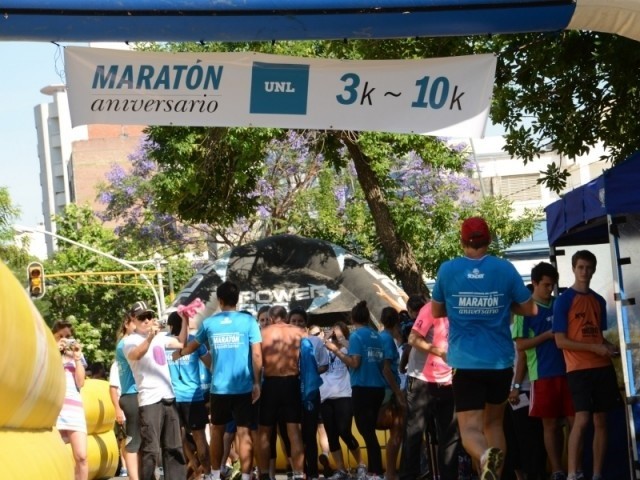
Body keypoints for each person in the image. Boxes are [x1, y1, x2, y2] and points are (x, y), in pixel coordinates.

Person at [431, 216, 537, 480]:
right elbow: (531, 309)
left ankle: (483, 456)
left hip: (465, 363)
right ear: (489, 239)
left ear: (462, 241)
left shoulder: (448, 270)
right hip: (500, 362)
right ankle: (493, 473)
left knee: (469, 429)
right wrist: (505, 307)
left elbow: (436, 311)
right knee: (494, 425)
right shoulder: (505, 269)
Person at [175, 281, 263, 480]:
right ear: (237, 299)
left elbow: (192, 347)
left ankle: (214, 475)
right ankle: (246, 476)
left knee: (217, 431)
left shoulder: (209, 323)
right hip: (243, 386)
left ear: (220, 300)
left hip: (219, 388)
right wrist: (257, 382)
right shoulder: (249, 321)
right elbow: (257, 355)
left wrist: (178, 353)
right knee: (244, 433)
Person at [553, 250, 622, 480]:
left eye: (589, 267)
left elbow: (598, 337)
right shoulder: (564, 300)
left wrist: (612, 347)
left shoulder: (599, 300)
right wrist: (594, 348)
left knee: (601, 420)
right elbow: (560, 341)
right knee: (581, 419)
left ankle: (597, 474)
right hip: (578, 369)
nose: (585, 271)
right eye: (581, 267)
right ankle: (573, 474)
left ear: (593, 270)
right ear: (573, 269)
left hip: (602, 366)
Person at [511, 263, 573, 480]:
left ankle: (573, 467)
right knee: (551, 425)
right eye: (546, 285)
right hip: (541, 375)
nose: (549, 289)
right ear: (535, 283)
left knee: (574, 421)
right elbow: (521, 345)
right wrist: (547, 336)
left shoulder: (559, 304)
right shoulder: (524, 311)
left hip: (568, 371)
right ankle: (557, 470)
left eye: (552, 285)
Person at [124, 300, 187, 480]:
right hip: (150, 400)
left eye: (149, 316)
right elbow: (136, 355)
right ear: (133, 320)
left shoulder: (160, 337)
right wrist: (150, 338)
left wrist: (185, 320)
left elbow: (181, 343)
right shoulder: (129, 341)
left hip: (168, 397)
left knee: (174, 447)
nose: (147, 320)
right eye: (142, 318)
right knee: (151, 449)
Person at [402, 301, 463, 480]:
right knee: (414, 434)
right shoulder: (430, 308)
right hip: (421, 379)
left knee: (450, 437)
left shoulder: (461, 308)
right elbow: (412, 339)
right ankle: (408, 476)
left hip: (448, 381)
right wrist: (440, 353)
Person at [325, 301, 386, 479]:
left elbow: (354, 362)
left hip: (363, 388)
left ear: (352, 319)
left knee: (366, 431)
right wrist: (341, 342)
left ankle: (376, 472)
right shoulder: (376, 336)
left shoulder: (357, 336)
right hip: (378, 387)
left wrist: (335, 350)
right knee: (369, 431)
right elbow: (380, 362)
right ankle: (375, 471)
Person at [256, 305, 306, 480]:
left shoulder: (263, 333)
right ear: (285, 317)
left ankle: (264, 474)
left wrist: (256, 383)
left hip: (271, 384)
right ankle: (299, 474)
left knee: (264, 433)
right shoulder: (299, 332)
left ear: (271, 318)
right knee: (294, 432)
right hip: (292, 383)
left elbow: (257, 359)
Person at [166, 307, 212, 478]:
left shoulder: (164, 343)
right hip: (194, 397)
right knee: (200, 438)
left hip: (172, 398)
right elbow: (210, 364)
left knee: (178, 438)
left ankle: (191, 466)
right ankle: (208, 473)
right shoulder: (195, 342)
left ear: (171, 326)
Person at [319, 321, 363, 480]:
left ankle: (361, 464)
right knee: (331, 435)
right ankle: (341, 470)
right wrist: (324, 339)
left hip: (343, 395)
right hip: (325, 396)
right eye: (333, 332)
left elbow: (354, 358)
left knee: (345, 431)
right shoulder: (324, 348)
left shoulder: (348, 348)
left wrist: (340, 342)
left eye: (339, 333)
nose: (335, 336)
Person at [290, 309, 330, 480]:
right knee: (294, 434)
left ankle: (313, 472)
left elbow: (325, 365)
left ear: (305, 323)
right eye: (294, 321)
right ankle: (300, 471)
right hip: (292, 391)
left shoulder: (315, 342)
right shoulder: (284, 341)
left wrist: (309, 373)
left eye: (300, 321)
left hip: (311, 393)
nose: (297, 324)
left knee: (310, 433)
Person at [52, 319, 89, 480]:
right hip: (54, 410)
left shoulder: (75, 356)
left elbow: (80, 382)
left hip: (74, 409)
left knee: (82, 456)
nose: (65, 340)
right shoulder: (49, 352)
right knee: (55, 456)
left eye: (68, 336)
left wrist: (77, 357)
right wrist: (55, 351)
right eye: (61, 336)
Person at [377, 307, 406, 480]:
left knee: (396, 434)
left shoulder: (379, 337)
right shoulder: (387, 339)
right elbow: (386, 369)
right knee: (396, 433)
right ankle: (390, 473)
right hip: (389, 390)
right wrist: (398, 393)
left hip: (381, 389)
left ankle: (390, 473)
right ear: (396, 322)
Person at [114, 313, 141, 480]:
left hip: (134, 394)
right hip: (131, 395)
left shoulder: (128, 342)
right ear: (127, 324)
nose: (139, 325)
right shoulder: (125, 344)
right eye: (135, 322)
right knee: (133, 442)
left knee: (140, 440)